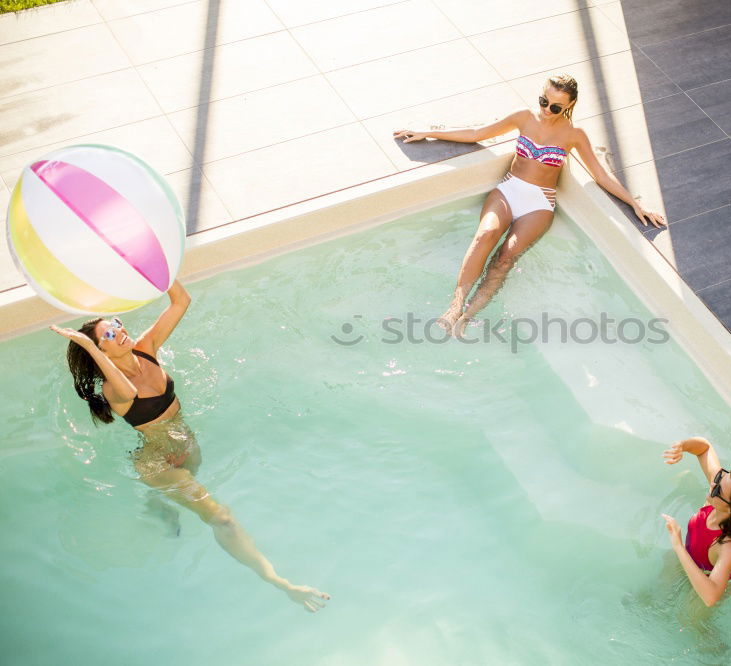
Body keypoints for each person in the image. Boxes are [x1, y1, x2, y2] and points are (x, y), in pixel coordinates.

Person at [51, 281, 329, 612]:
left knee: (187, 500)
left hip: (186, 447)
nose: (118, 332)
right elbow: (128, 391)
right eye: (107, 336)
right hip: (157, 463)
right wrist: (87, 345)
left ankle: (159, 507)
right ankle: (279, 581)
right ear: (101, 352)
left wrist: (160, 270)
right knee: (221, 518)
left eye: (116, 325)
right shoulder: (113, 390)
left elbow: (181, 301)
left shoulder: (146, 348)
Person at [393, 74, 665, 337]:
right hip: (509, 190)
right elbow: (478, 133)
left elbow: (601, 175)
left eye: (556, 106)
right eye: (543, 101)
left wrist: (635, 204)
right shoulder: (524, 117)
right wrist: (426, 132)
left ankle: (468, 316)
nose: (547, 110)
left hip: (539, 202)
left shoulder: (574, 135)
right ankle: (454, 308)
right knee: (485, 236)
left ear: (570, 105)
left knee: (504, 259)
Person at [660, 437, 731, 607]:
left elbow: (711, 597)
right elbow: (704, 449)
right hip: (691, 560)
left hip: (709, 580)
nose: (712, 483)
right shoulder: (718, 494)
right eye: (719, 479)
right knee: (659, 594)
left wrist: (678, 546)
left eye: (718, 489)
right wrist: (683, 446)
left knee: (689, 623)